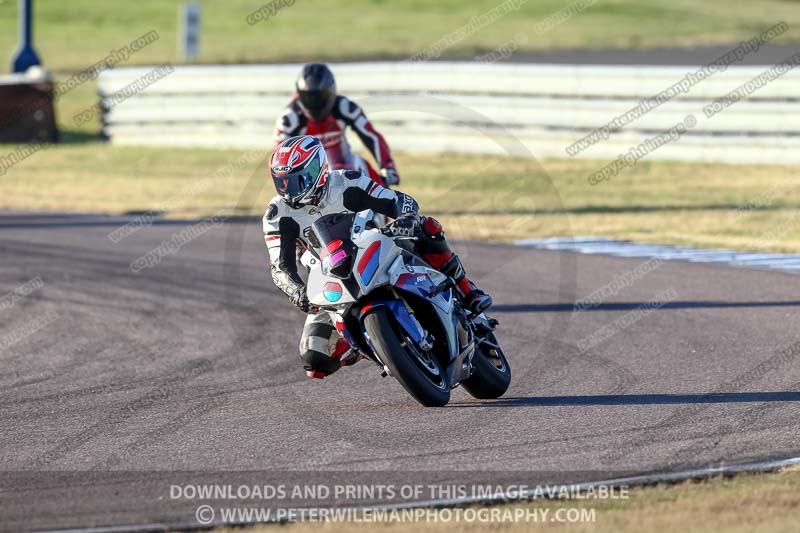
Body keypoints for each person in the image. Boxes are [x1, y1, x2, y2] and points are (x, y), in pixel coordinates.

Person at [263, 135, 492, 379]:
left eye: (295, 180)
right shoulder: (276, 214)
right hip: (331, 277)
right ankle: (370, 343)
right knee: (315, 359)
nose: (288, 188)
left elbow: (398, 201)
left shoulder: (347, 181)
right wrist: (296, 292)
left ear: (316, 169)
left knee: (427, 227)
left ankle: (467, 291)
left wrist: (406, 218)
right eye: (282, 182)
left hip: (372, 246)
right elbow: (280, 267)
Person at [272, 63, 400, 187]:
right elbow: (279, 158)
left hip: (347, 164)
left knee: (362, 164)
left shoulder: (345, 107)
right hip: (310, 176)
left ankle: (386, 202)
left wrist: (388, 167)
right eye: (308, 97)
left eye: (320, 97)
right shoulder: (289, 119)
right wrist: (289, 183)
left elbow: (371, 136)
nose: (315, 103)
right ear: (299, 94)